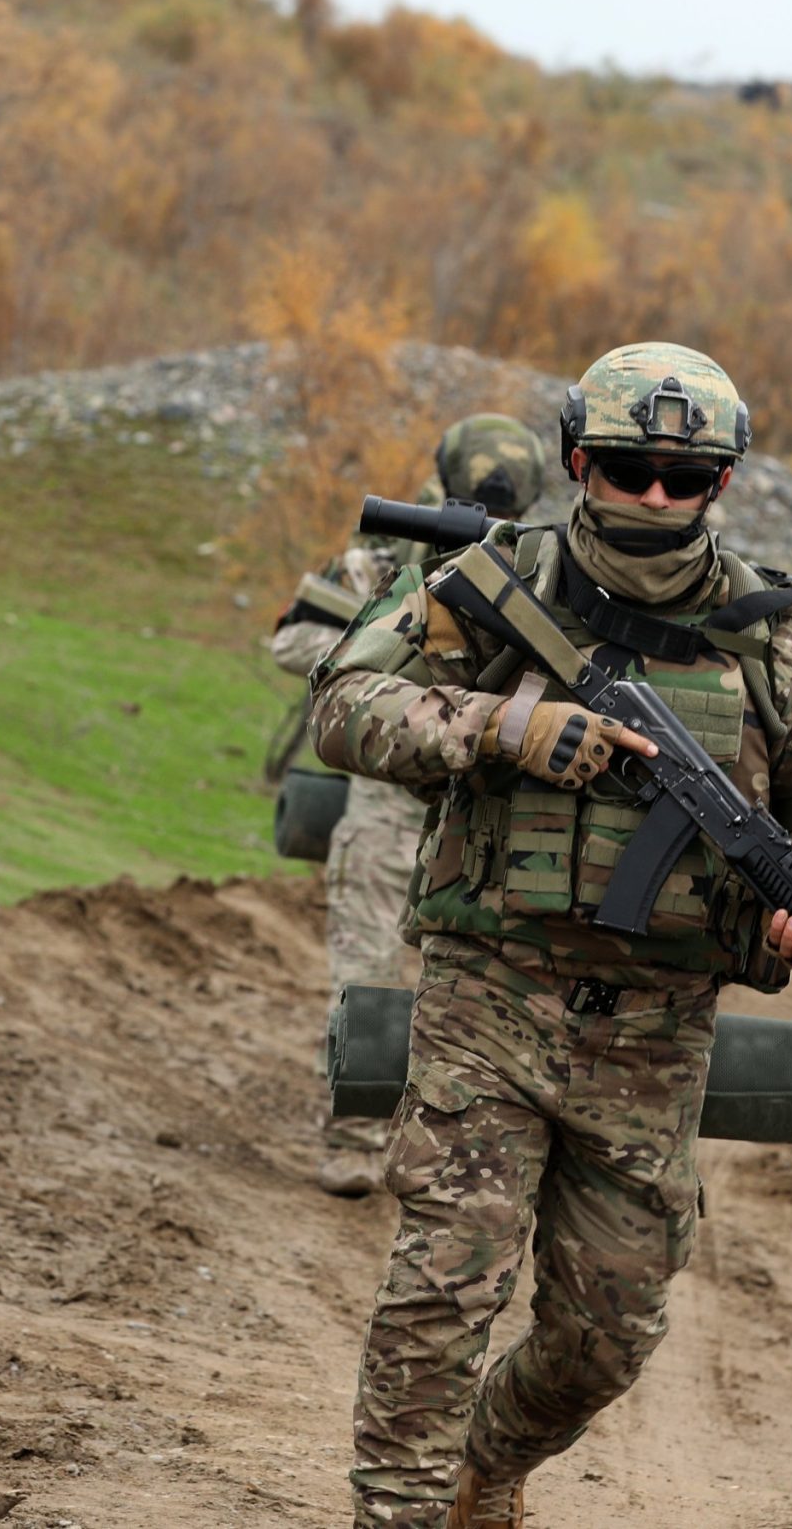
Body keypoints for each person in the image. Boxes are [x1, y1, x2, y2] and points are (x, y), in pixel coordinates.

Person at [310, 343, 792, 1527]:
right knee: (442, 1286)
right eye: (631, 469)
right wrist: (505, 727)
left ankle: (490, 1460)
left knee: (608, 1330)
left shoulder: (780, 638)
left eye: (689, 477)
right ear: (581, 460)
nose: (658, 497)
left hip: (654, 1032)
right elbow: (343, 701)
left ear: (721, 484)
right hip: (491, 993)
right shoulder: (493, 581)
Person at [270, 412, 548, 1197]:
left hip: (488, 803)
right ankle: (355, 1133)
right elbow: (293, 641)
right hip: (391, 793)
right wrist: (388, 661)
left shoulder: (540, 569)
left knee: (472, 983)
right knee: (367, 968)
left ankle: (453, 1143)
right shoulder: (387, 559)